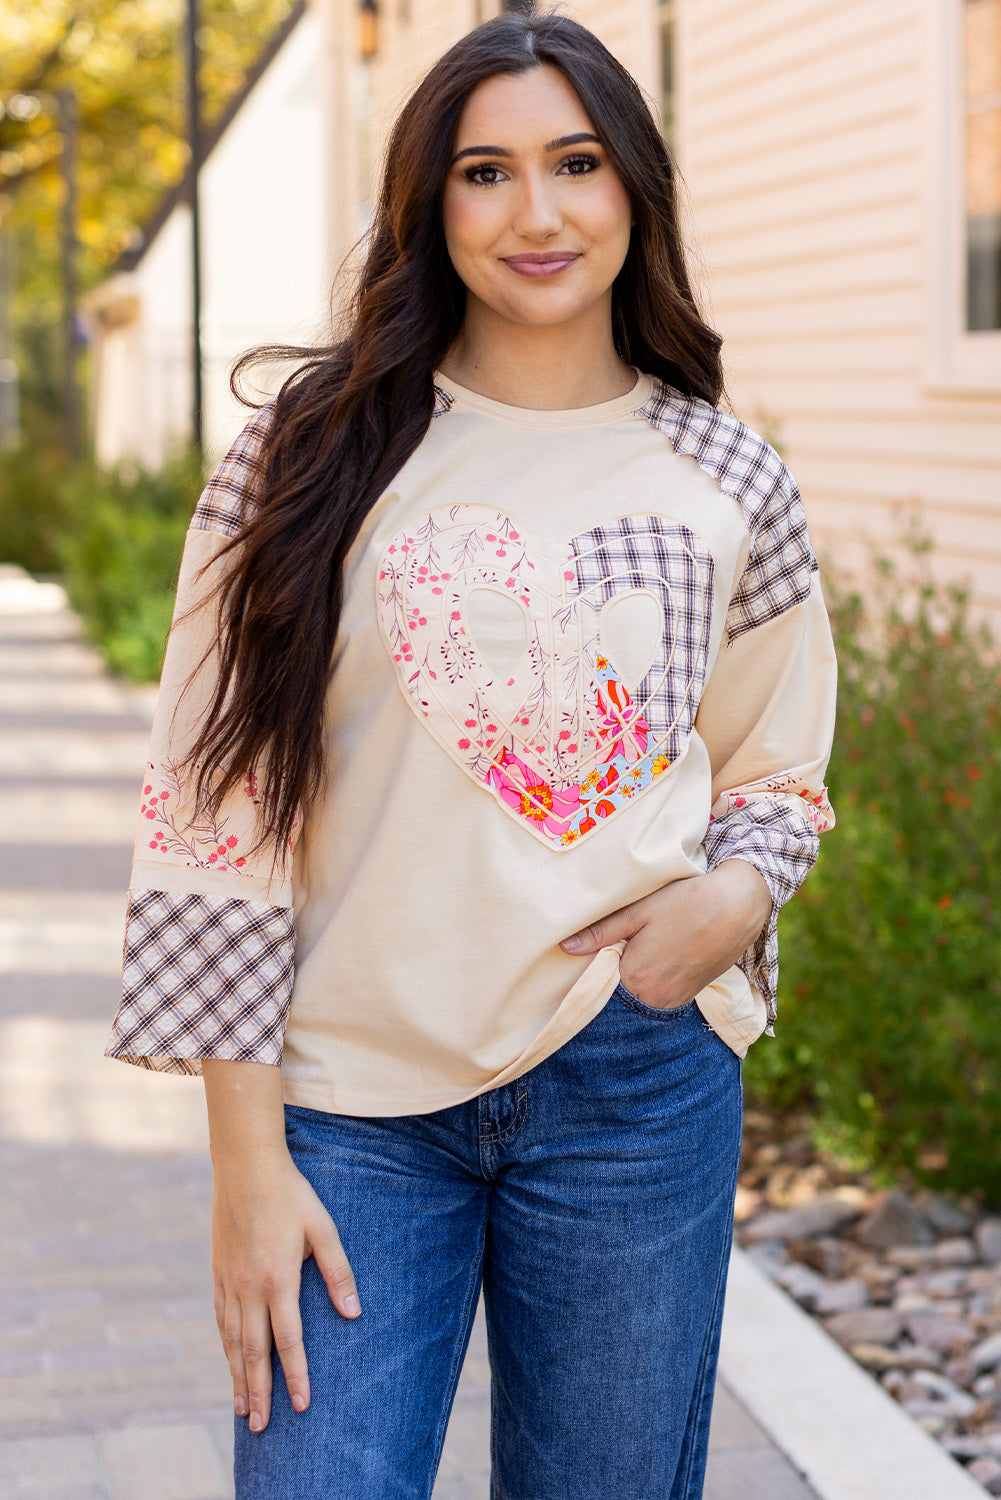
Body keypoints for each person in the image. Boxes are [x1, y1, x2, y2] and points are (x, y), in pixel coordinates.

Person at [106, 11, 836, 1498]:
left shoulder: (723, 472)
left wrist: (728, 905)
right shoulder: (304, 456)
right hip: (346, 1108)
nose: (538, 212)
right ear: (429, 208)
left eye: (574, 163)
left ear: (633, 186)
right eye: (483, 173)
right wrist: (245, 1167)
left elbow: (777, 772)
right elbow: (214, 808)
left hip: (632, 1083)